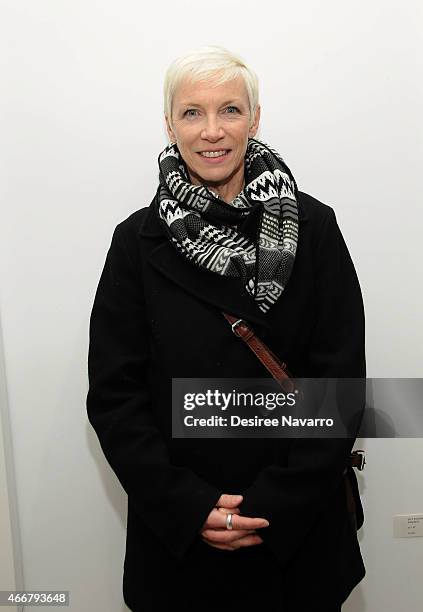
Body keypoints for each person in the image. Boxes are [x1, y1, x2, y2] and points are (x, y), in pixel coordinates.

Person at [86, 45, 366, 611]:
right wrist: (190, 506)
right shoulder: (136, 242)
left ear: (254, 119)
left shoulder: (314, 227)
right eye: (192, 112)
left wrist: (272, 504)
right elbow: (116, 397)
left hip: (294, 530)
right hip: (183, 538)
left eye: (230, 110)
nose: (212, 131)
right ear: (170, 124)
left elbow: (340, 380)